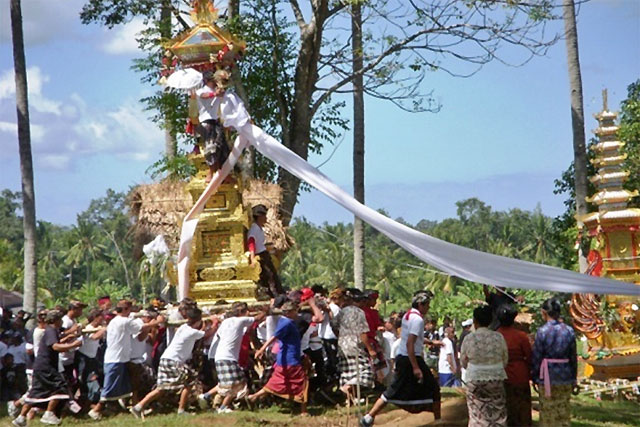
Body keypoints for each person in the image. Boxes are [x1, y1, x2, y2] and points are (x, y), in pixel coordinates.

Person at [360, 291, 441, 427]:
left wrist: (431, 343)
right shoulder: (418, 320)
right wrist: (415, 367)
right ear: (420, 304)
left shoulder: (408, 316)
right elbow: (410, 343)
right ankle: (439, 421)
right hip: (411, 358)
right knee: (432, 388)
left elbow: (413, 339)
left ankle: (369, 417)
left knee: (396, 389)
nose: (428, 308)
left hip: (404, 357)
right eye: (427, 305)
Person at [131, 307, 218, 418]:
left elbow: (201, 330)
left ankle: (138, 407)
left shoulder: (183, 327)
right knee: (190, 382)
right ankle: (181, 410)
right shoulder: (191, 332)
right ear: (197, 321)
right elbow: (206, 333)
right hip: (174, 360)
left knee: (161, 388)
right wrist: (214, 322)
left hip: (166, 359)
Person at [89, 300, 163, 421]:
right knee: (109, 387)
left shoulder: (115, 321)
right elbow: (142, 328)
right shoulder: (124, 321)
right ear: (124, 310)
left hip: (118, 358)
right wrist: (157, 322)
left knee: (123, 386)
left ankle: (132, 406)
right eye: (129, 309)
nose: (130, 312)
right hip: (115, 359)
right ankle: (96, 410)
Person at [12, 310, 82, 427]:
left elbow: (55, 342)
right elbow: (55, 346)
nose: (61, 322)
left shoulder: (51, 330)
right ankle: (48, 414)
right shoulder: (51, 330)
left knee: (35, 393)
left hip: (41, 366)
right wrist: (73, 345)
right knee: (60, 388)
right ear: (56, 321)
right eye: (60, 320)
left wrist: (70, 337)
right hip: (46, 367)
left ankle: (21, 418)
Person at [198, 302, 267, 413]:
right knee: (238, 383)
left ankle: (208, 397)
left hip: (220, 356)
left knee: (228, 383)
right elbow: (257, 319)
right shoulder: (240, 320)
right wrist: (266, 311)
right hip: (228, 357)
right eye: (246, 311)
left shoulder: (225, 322)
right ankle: (219, 405)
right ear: (241, 312)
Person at [248, 301, 309, 414]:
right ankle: (303, 411)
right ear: (290, 312)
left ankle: (254, 396)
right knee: (302, 382)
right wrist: (261, 349)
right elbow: (274, 336)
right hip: (290, 359)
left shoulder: (285, 321)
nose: (297, 313)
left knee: (276, 381)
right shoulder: (287, 323)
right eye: (295, 311)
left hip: (285, 359)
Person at [531, 297, 577, 427]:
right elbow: (573, 356)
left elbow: (537, 356)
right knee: (563, 410)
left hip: (547, 377)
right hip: (565, 375)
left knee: (548, 412)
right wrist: (574, 377)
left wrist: (535, 376)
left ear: (544, 313)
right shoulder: (569, 331)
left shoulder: (542, 332)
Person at [460, 305, 508, 427]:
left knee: (477, 414)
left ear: (475, 321)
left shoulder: (468, 338)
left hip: (475, 378)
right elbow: (505, 360)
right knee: (498, 413)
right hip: (496, 378)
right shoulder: (499, 337)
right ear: (491, 321)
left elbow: (463, 361)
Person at [331, 288, 375, 404]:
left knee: (347, 372)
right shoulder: (359, 313)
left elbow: (333, 325)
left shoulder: (343, 311)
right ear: (359, 301)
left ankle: (349, 399)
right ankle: (345, 389)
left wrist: (341, 336)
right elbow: (362, 333)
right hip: (355, 346)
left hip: (342, 345)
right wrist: (370, 349)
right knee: (366, 372)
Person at [190, 70, 231, 183]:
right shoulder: (201, 91)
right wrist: (215, 94)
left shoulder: (218, 91)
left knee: (223, 147)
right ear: (208, 80)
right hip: (206, 123)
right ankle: (211, 173)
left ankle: (222, 172)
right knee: (211, 147)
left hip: (216, 121)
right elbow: (205, 96)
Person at [497, 304, 532, 426]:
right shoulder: (521, 336)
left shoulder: (496, 335)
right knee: (522, 410)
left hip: (501, 375)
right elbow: (529, 356)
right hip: (520, 375)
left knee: (505, 409)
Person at [247, 204, 284, 297]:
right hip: (261, 256)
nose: (266, 217)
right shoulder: (254, 229)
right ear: (259, 216)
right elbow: (251, 243)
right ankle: (274, 296)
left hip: (264, 254)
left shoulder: (259, 228)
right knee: (269, 277)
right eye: (264, 215)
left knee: (273, 276)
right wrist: (252, 259)